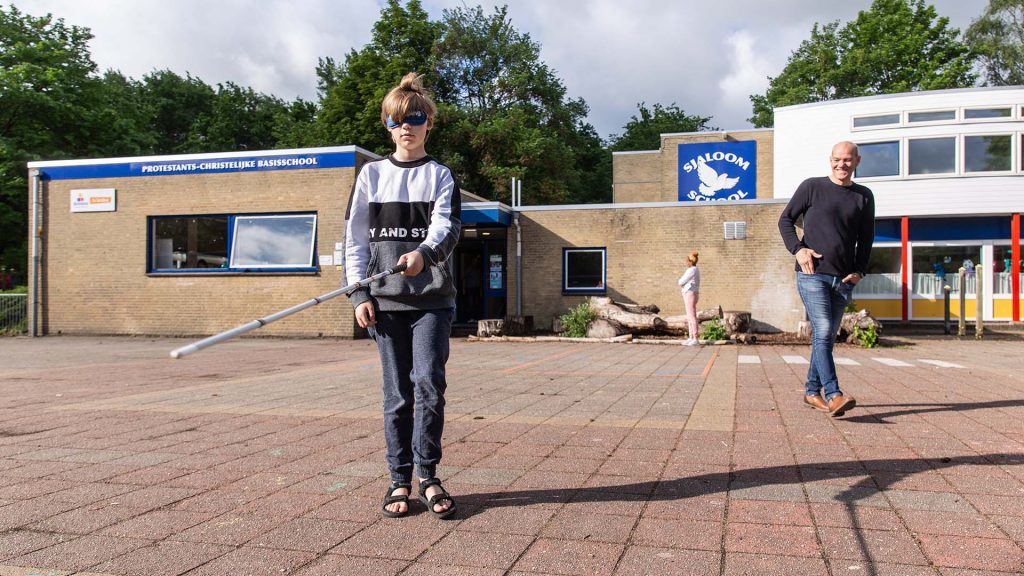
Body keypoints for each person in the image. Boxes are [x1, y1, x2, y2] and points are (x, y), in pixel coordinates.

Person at [344, 72, 461, 519]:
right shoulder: (370, 176)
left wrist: (424, 253)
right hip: (385, 302)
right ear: (388, 126)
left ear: (428, 123)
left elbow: (447, 229)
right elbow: (355, 240)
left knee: (429, 385)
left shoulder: (440, 175)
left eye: (414, 118)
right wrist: (359, 296)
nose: (405, 127)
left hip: (431, 300)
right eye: (396, 120)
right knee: (398, 395)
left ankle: (428, 475)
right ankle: (399, 479)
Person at [779, 141, 875, 417]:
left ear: (857, 161)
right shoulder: (812, 187)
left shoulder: (863, 196)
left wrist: (859, 270)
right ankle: (834, 394)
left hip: (843, 279)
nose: (841, 165)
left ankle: (811, 391)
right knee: (822, 332)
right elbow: (785, 220)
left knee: (827, 339)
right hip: (813, 275)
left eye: (847, 160)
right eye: (836, 159)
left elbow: (866, 238)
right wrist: (798, 249)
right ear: (829, 160)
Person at [677, 252, 701, 346]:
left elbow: (681, 281)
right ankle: (691, 337)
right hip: (690, 293)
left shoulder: (692, 270)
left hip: (690, 293)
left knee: (691, 316)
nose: (686, 262)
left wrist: (682, 283)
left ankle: (695, 338)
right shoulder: (694, 269)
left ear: (691, 261)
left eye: (687, 261)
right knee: (690, 316)